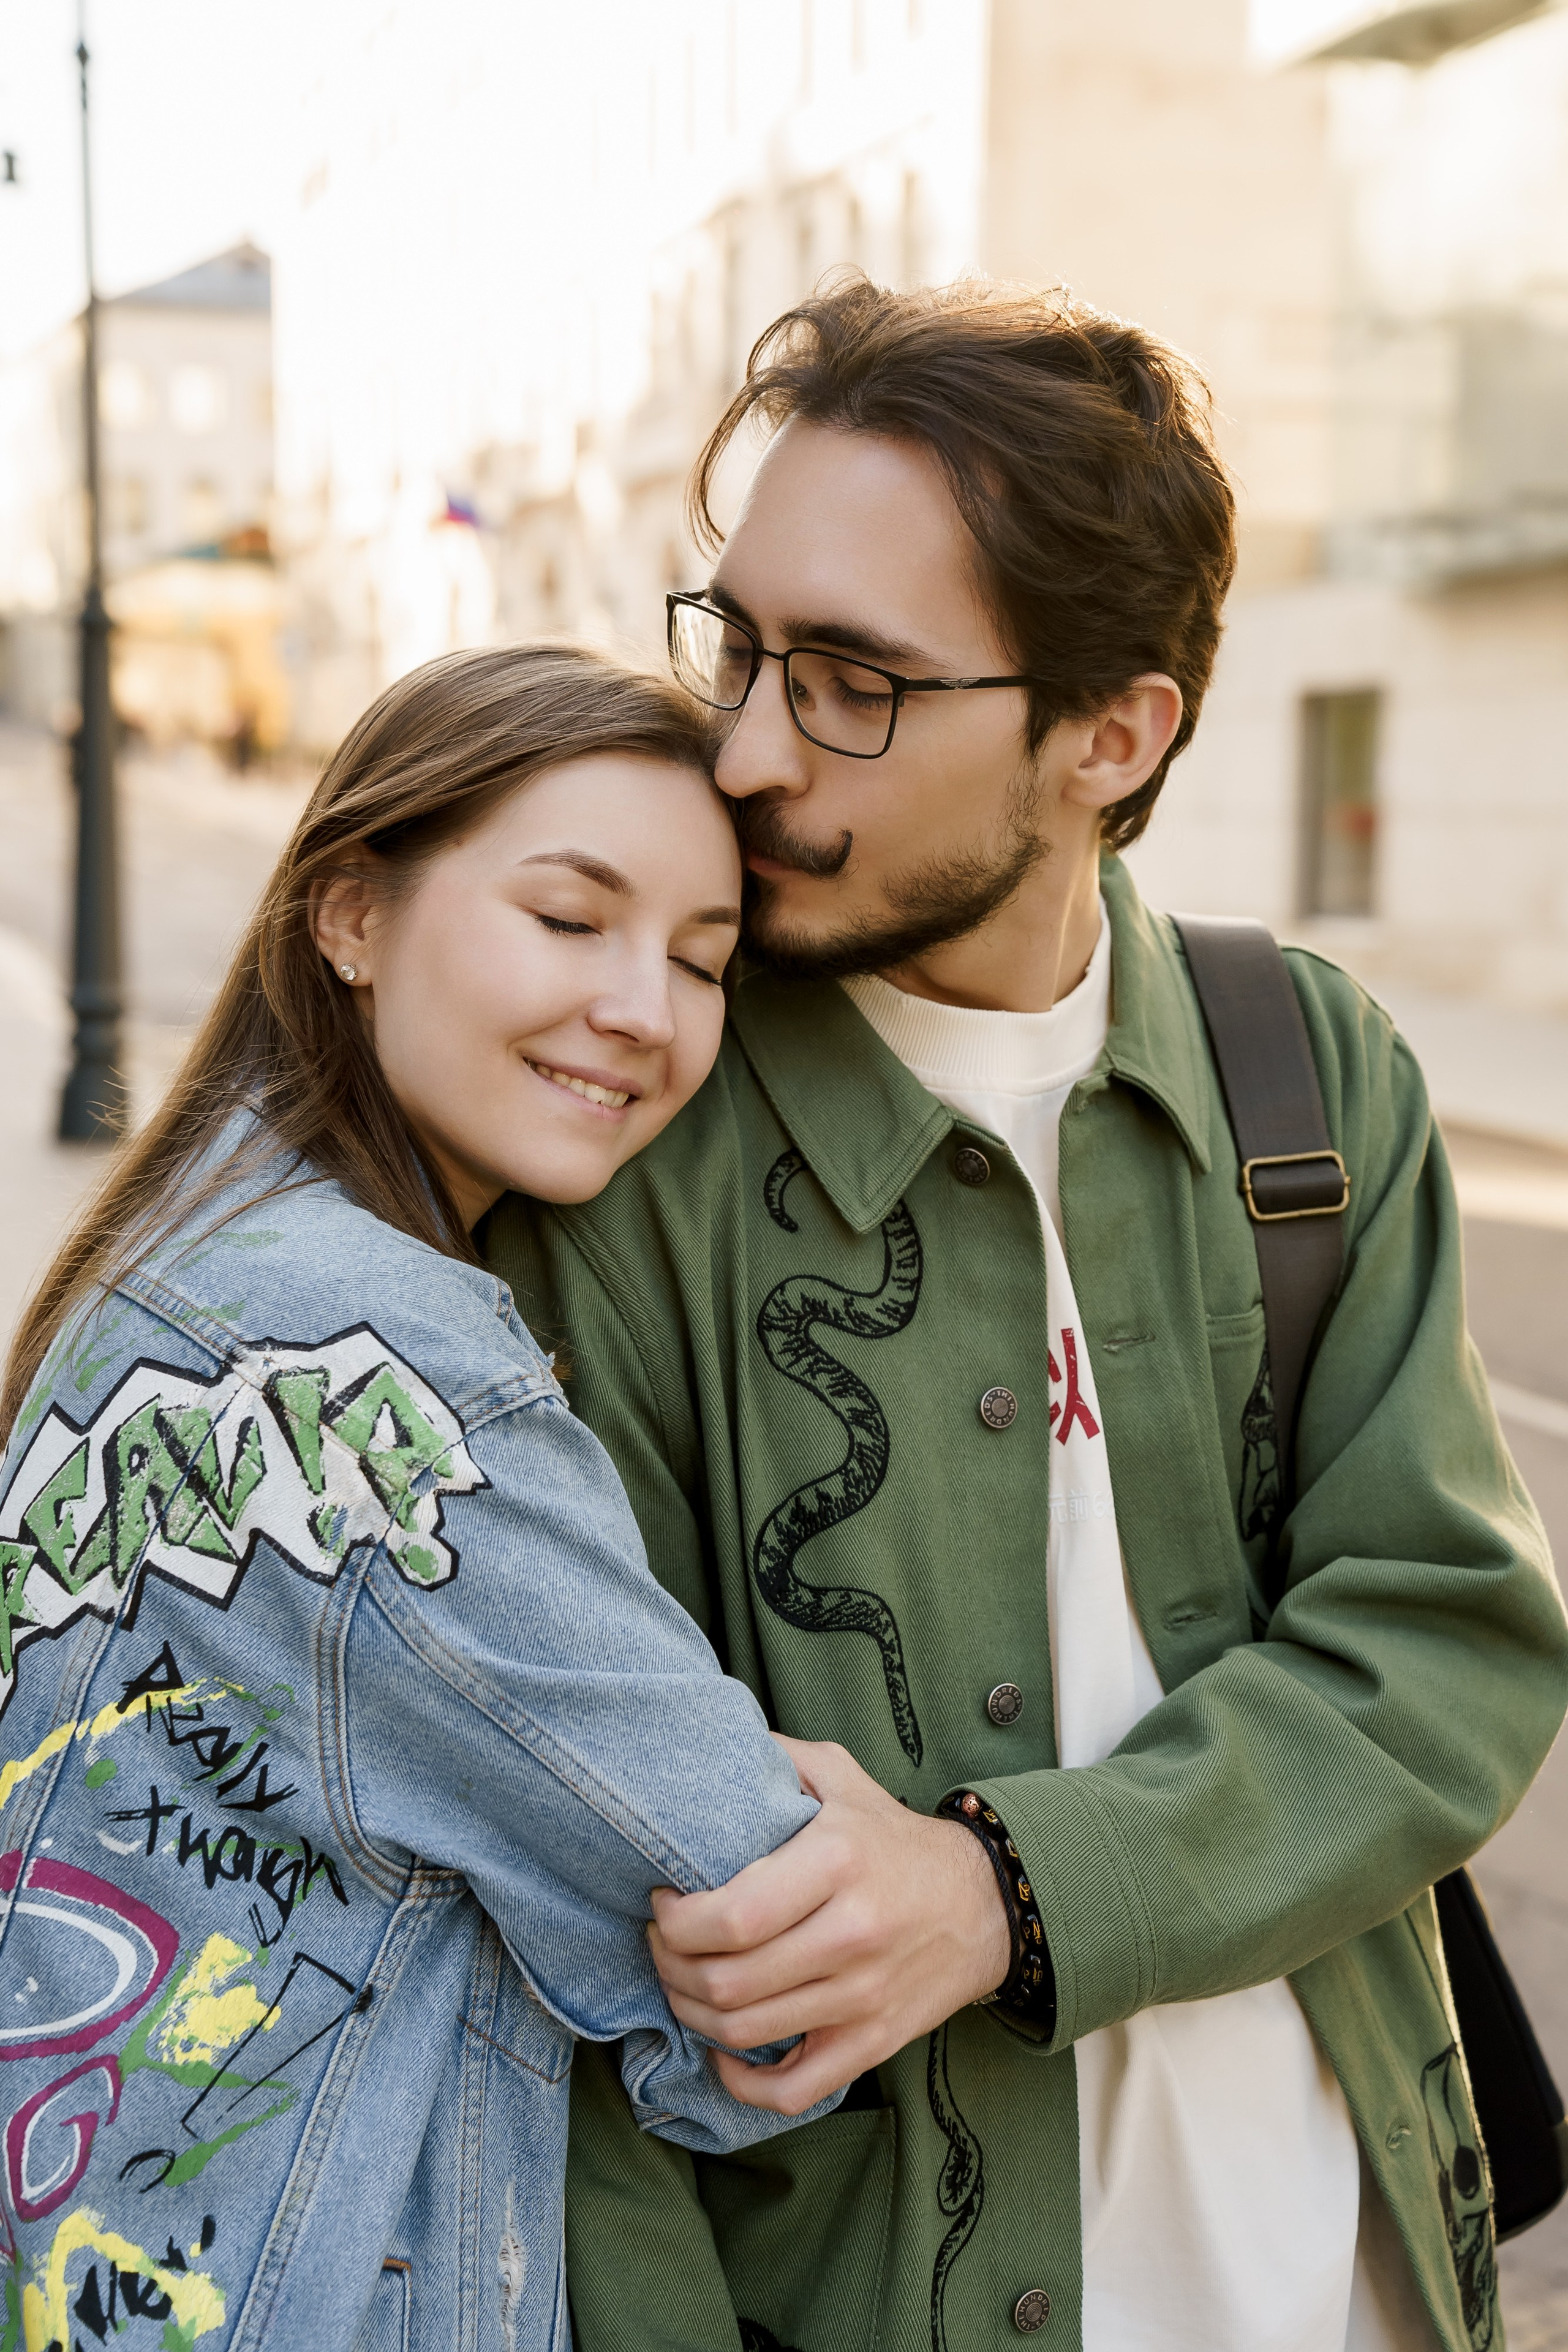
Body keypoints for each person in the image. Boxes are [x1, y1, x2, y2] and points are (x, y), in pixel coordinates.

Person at [487, 282, 1568, 2352]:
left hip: (1341, 2276)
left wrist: (1004, 1889)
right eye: (741, 648)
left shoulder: (1305, 1073)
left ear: (1113, 735)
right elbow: (553, 1943)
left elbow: (1448, 1640)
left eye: (854, 685)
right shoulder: (638, 1151)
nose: (745, 749)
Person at [0, 647, 843, 2352]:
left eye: (701, 959)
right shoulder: (383, 1376)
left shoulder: (176, 1262)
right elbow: (771, 1966)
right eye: (568, 917)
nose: (645, 1008)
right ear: (352, 915)